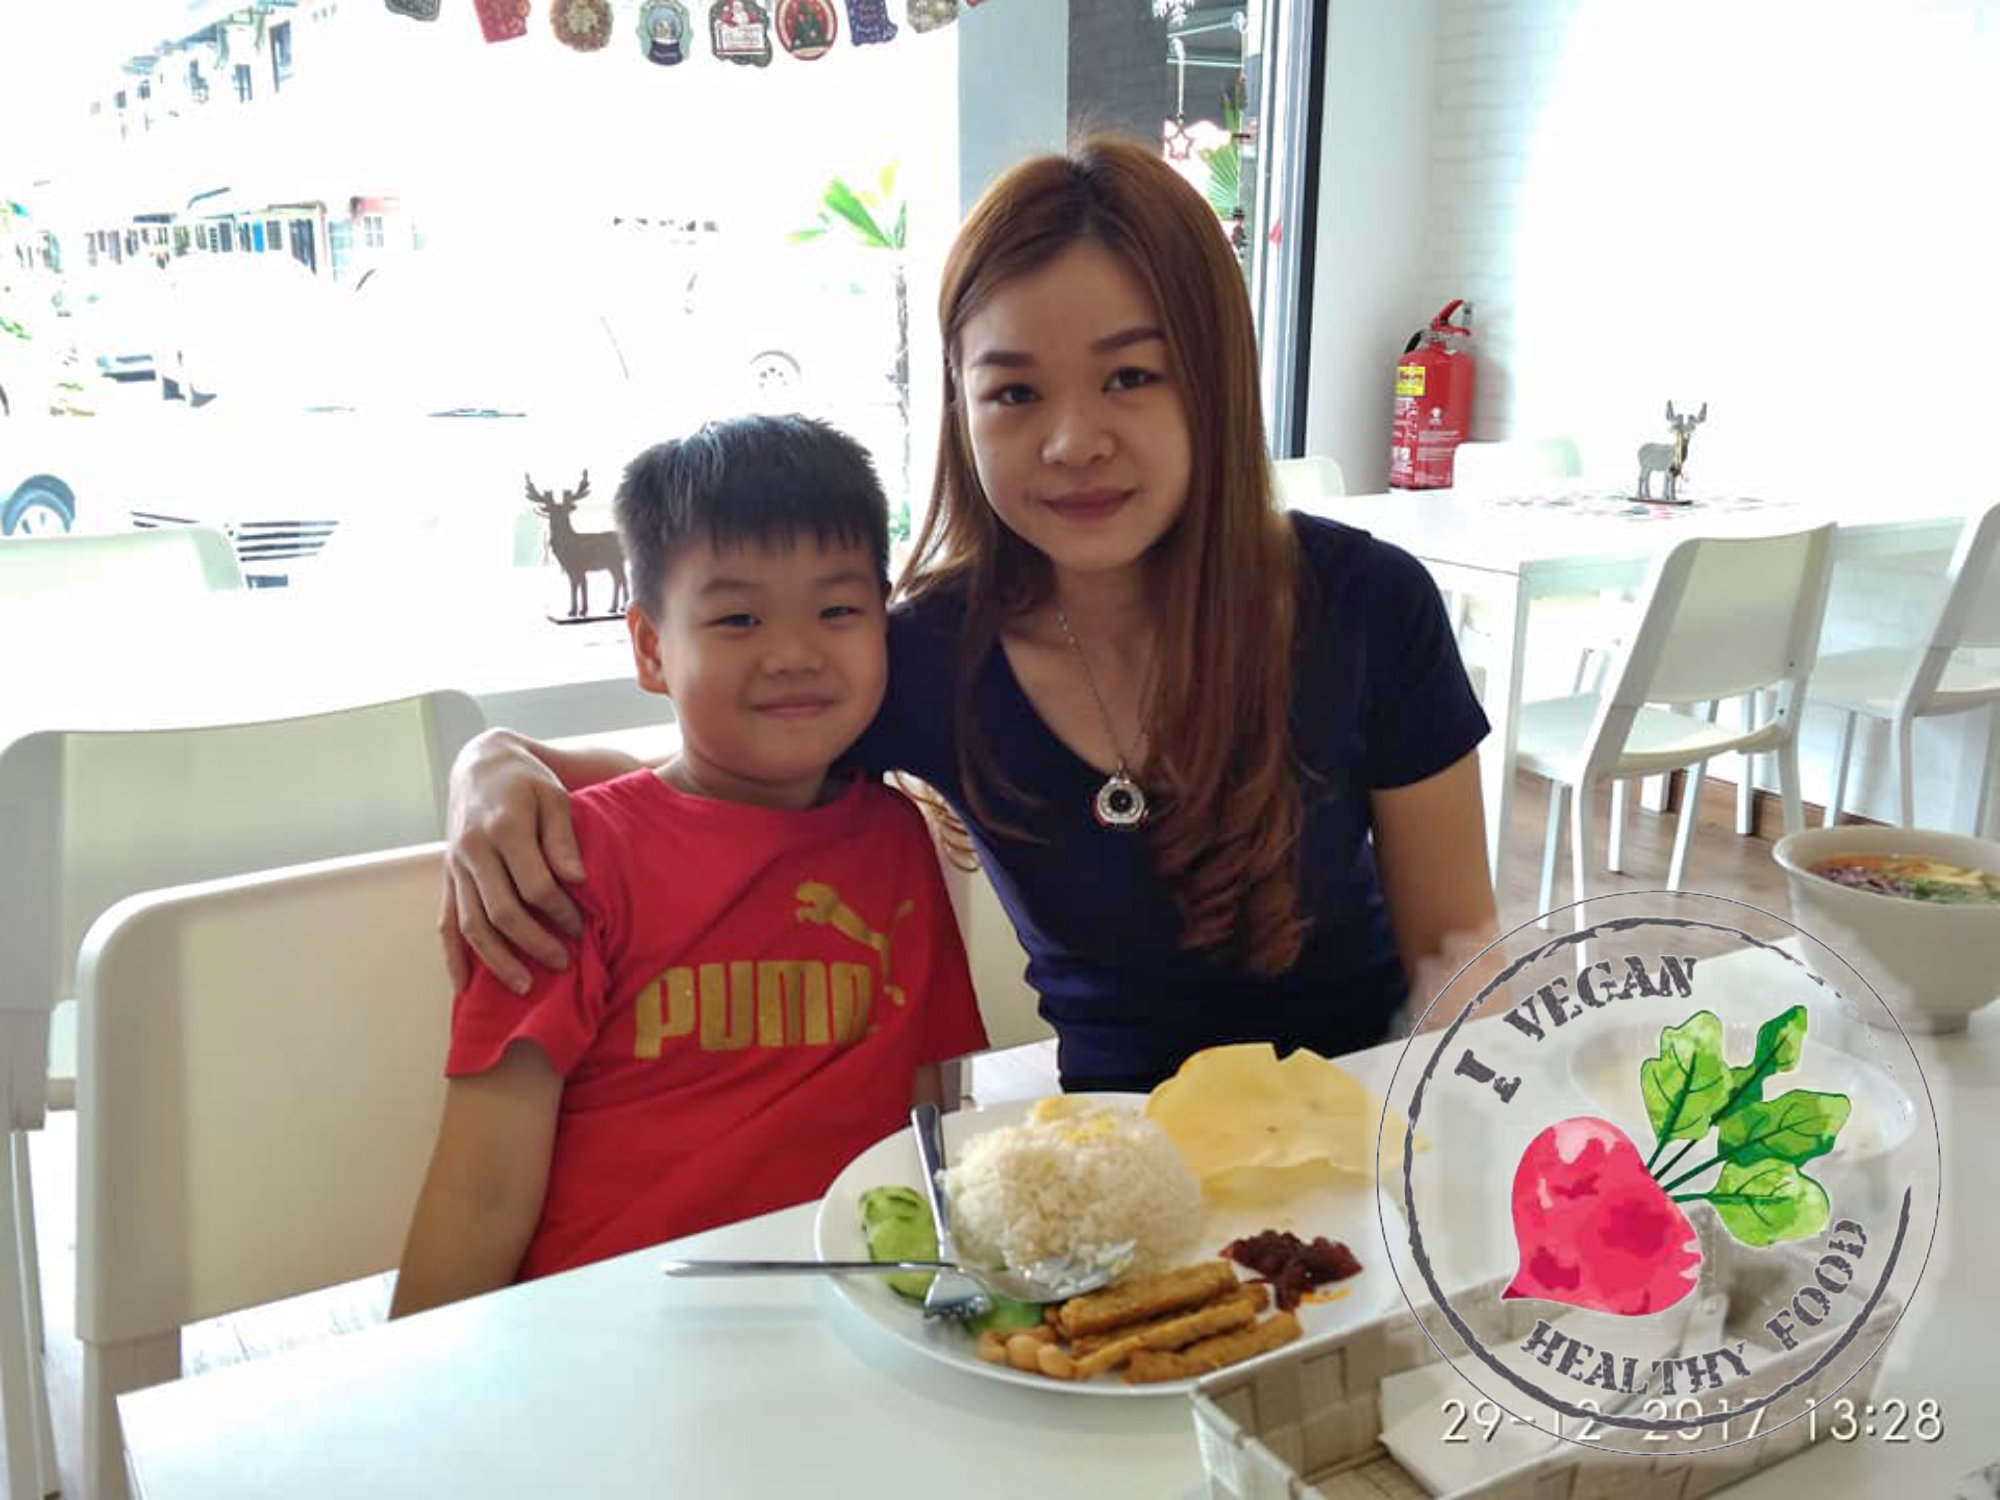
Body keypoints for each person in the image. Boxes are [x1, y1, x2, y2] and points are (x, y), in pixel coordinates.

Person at [439, 135, 1498, 1098]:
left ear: (1214, 382)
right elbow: (708, 764)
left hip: (1362, 1131)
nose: (1072, 442)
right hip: (1116, 1169)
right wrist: (492, 761)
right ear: (961, 406)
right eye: (1015, 393)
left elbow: (1456, 962)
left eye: (1130, 376)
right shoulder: (930, 657)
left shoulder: (1369, 606)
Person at [392, 414, 988, 1318]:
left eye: (837, 611)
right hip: (610, 1330)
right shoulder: (563, 859)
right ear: (650, 647)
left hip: (853, 1320)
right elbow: (481, 1193)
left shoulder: (899, 837)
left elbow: (920, 1119)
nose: (794, 655)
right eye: (738, 618)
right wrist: (420, 1384)